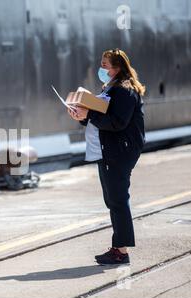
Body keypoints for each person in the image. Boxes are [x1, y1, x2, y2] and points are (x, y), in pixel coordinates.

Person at [68, 49, 146, 266]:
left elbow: (117, 122)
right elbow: (102, 118)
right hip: (108, 151)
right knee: (113, 200)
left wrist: (89, 114)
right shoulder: (111, 88)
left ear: (118, 67)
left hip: (118, 152)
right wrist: (82, 117)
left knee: (118, 200)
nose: (101, 69)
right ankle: (118, 248)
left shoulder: (124, 91)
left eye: (105, 65)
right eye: (101, 64)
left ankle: (121, 252)